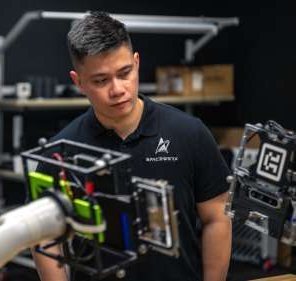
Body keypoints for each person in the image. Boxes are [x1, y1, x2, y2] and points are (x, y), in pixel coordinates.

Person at [32, 11, 232, 281]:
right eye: (101, 80)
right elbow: (45, 238)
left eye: (124, 73)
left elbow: (217, 217)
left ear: (136, 63)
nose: (117, 89)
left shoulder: (190, 133)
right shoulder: (61, 152)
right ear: (78, 82)